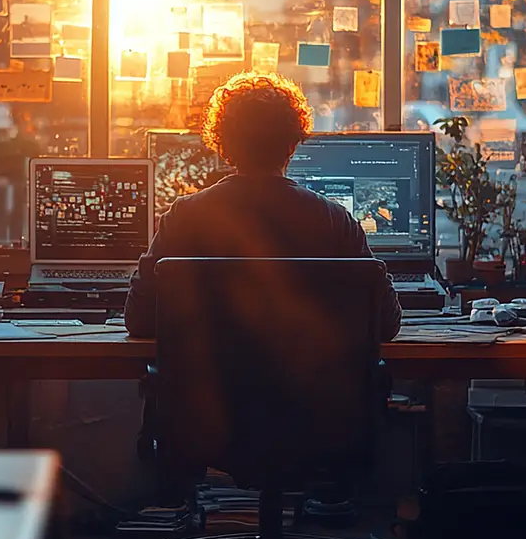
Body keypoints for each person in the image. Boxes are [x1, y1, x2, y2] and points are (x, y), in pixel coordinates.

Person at [124, 71, 401, 341]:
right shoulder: (334, 220)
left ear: (223, 145)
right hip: (312, 387)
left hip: (206, 388)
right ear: (293, 145)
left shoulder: (184, 217)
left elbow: (139, 319)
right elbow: (387, 323)